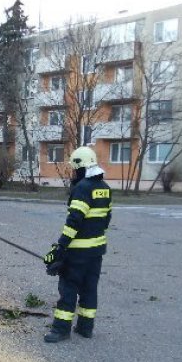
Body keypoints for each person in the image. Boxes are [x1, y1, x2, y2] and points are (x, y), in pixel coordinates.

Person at [42, 146, 111, 343]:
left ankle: (61, 329)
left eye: (74, 168)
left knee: (69, 288)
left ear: (80, 166)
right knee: (89, 288)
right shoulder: (104, 188)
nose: (73, 172)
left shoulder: (82, 189)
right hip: (96, 251)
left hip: (78, 252)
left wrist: (59, 249)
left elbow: (73, 223)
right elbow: (106, 219)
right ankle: (85, 327)